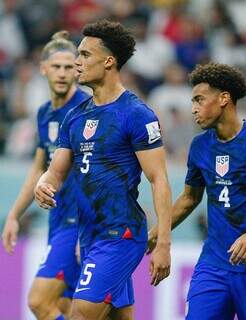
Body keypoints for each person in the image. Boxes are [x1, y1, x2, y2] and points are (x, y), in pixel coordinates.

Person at [34, 19, 172, 320]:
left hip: (120, 234)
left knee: (80, 314)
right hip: (90, 234)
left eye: (84, 55)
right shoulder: (75, 117)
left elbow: (158, 179)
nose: (76, 62)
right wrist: (43, 183)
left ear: (108, 61)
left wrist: (163, 243)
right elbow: (56, 170)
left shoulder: (136, 114)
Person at [148, 62, 246, 320]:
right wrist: (159, 231)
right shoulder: (200, 146)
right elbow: (190, 198)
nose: (193, 108)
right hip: (214, 265)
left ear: (224, 98)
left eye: (199, 99)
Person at [2, 31, 90, 319]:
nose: (63, 73)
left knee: (39, 302)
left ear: (77, 70)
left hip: (79, 223)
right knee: (65, 308)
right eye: (56, 66)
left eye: (69, 67)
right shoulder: (44, 113)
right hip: (58, 219)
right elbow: (39, 169)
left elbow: (99, 173)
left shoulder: (85, 111)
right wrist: (14, 215)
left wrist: (90, 228)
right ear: (43, 68)